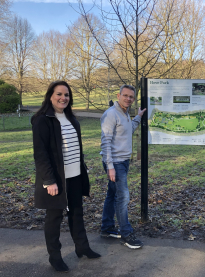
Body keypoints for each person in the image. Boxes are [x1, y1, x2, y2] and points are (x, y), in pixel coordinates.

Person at [32, 81, 100, 273]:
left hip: (75, 176)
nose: (63, 98)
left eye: (67, 95)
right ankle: (55, 257)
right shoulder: (42, 120)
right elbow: (41, 154)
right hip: (56, 180)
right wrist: (49, 180)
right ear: (50, 96)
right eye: (59, 94)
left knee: (77, 213)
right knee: (54, 218)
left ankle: (82, 247)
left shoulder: (71, 119)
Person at [100, 84, 146, 249]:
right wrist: (110, 166)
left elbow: (129, 129)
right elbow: (105, 142)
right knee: (123, 197)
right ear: (118, 96)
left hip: (123, 162)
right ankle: (126, 234)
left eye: (131, 97)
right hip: (115, 163)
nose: (128, 99)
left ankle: (107, 228)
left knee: (112, 195)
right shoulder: (111, 115)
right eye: (125, 95)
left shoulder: (125, 114)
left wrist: (138, 117)